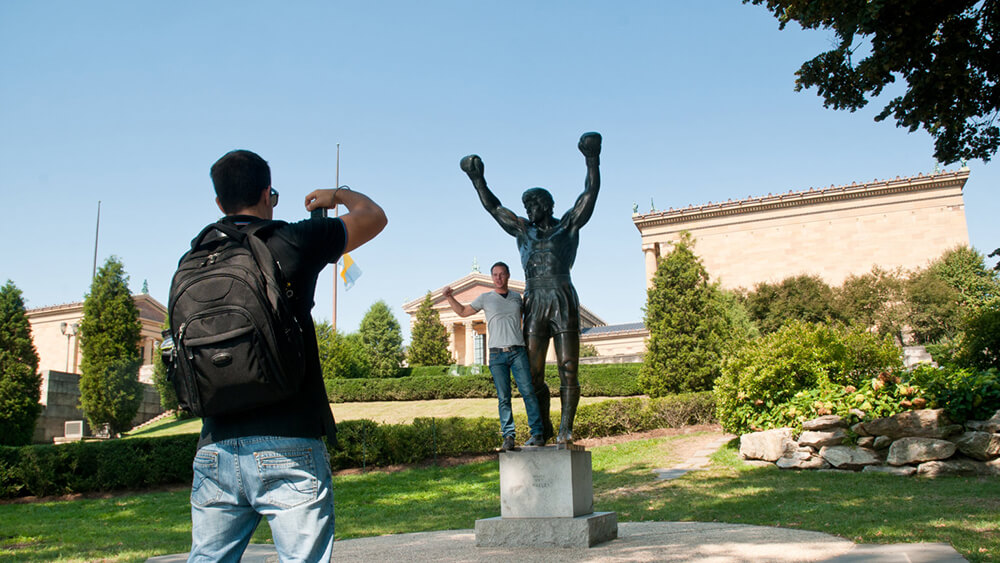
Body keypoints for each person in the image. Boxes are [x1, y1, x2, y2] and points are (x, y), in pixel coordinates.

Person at [186, 149, 387, 563]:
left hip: (214, 448)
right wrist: (335, 195)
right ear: (266, 194)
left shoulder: (193, 258)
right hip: (289, 439)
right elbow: (373, 216)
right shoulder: (291, 241)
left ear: (219, 204)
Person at [460, 132, 601, 444]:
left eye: (532, 203)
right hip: (534, 300)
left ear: (546, 205)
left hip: (562, 296)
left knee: (567, 367)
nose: (527, 208)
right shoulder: (522, 231)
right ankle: (543, 429)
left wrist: (592, 158)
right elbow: (493, 207)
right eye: (525, 204)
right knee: (533, 375)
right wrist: (477, 178)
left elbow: (589, 194)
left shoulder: (567, 226)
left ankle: (566, 430)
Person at [443, 261, 546, 450]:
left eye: (502, 274)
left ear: (507, 275)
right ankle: (509, 437)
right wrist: (450, 297)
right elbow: (463, 312)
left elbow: (532, 317)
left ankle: (538, 433)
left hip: (518, 352)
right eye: (495, 275)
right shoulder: (485, 298)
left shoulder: (517, 298)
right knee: (503, 397)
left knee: (528, 392)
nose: (498, 278)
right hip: (497, 355)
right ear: (492, 278)